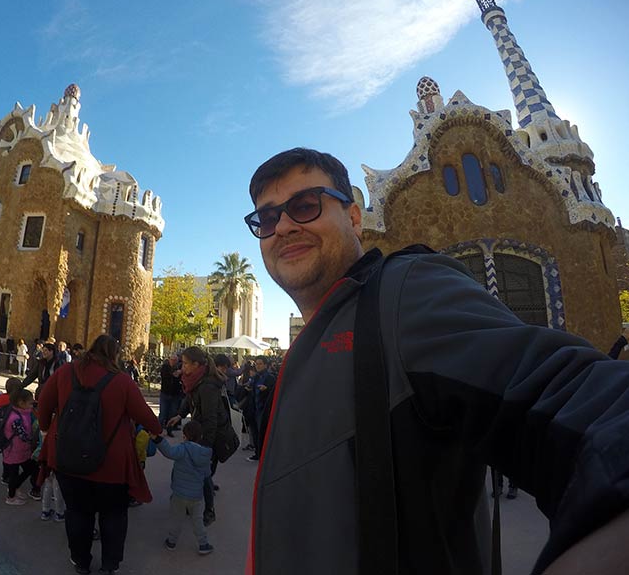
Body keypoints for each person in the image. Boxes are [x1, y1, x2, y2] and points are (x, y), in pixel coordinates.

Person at [243, 147, 629, 574]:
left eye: (305, 205)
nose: (284, 227)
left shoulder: (404, 294)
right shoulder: (311, 343)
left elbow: (586, 402)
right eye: (267, 218)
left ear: (354, 217)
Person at [37, 334, 162, 575]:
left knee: (77, 513)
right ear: (114, 355)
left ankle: (81, 561)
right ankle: (109, 565)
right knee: (113, 516)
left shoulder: (66, 372)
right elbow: (148, 419)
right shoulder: (122, 381)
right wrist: (156, 430)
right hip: (111, 465)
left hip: (69, 457)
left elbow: (44, 402)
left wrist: (45, 428)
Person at [165, 346, 228, 527]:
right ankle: (190, 502)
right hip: (201, 431)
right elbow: (189, 399)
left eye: (185, 363)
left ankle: (209, 510)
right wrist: (180, 415)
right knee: (200, 472)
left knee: (204, 473)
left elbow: (211, 419)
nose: (182, 366)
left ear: (196, 364)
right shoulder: (196, 379)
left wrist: (204, 448)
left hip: (210, 434)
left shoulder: (207, 385)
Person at [152, 420, 214, 556]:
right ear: (200, 437)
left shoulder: (182, 449)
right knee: (197, 521)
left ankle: (171, 541)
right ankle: (203, 544)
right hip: (196, 496)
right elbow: (207, 475)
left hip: (179, 494)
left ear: (185, 436)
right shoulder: (205, 455)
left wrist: (157, 439)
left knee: (176, 518)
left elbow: (168, 451)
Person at [1, 388, 39, 506]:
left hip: (21, 450)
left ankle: (15, 488)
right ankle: (11, 497)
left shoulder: (22, 412)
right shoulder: (15, 418)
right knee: (14, 473)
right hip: (14, 450)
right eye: (30, 402)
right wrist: (36, 439)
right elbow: (23, 435)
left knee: (30, 468)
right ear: (21, 403)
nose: (32, 404)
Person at [158, 353, 183, 437]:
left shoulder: (179, 367)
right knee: (163, 414)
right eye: (172, 360)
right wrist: (177, 373)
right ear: (169, 360)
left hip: (175, 395)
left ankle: (169, 430)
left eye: (175, 360)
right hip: (165, 393)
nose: (173, 362)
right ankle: (158, 429)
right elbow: (170, 375)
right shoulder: (165, 367)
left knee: (172, 414)